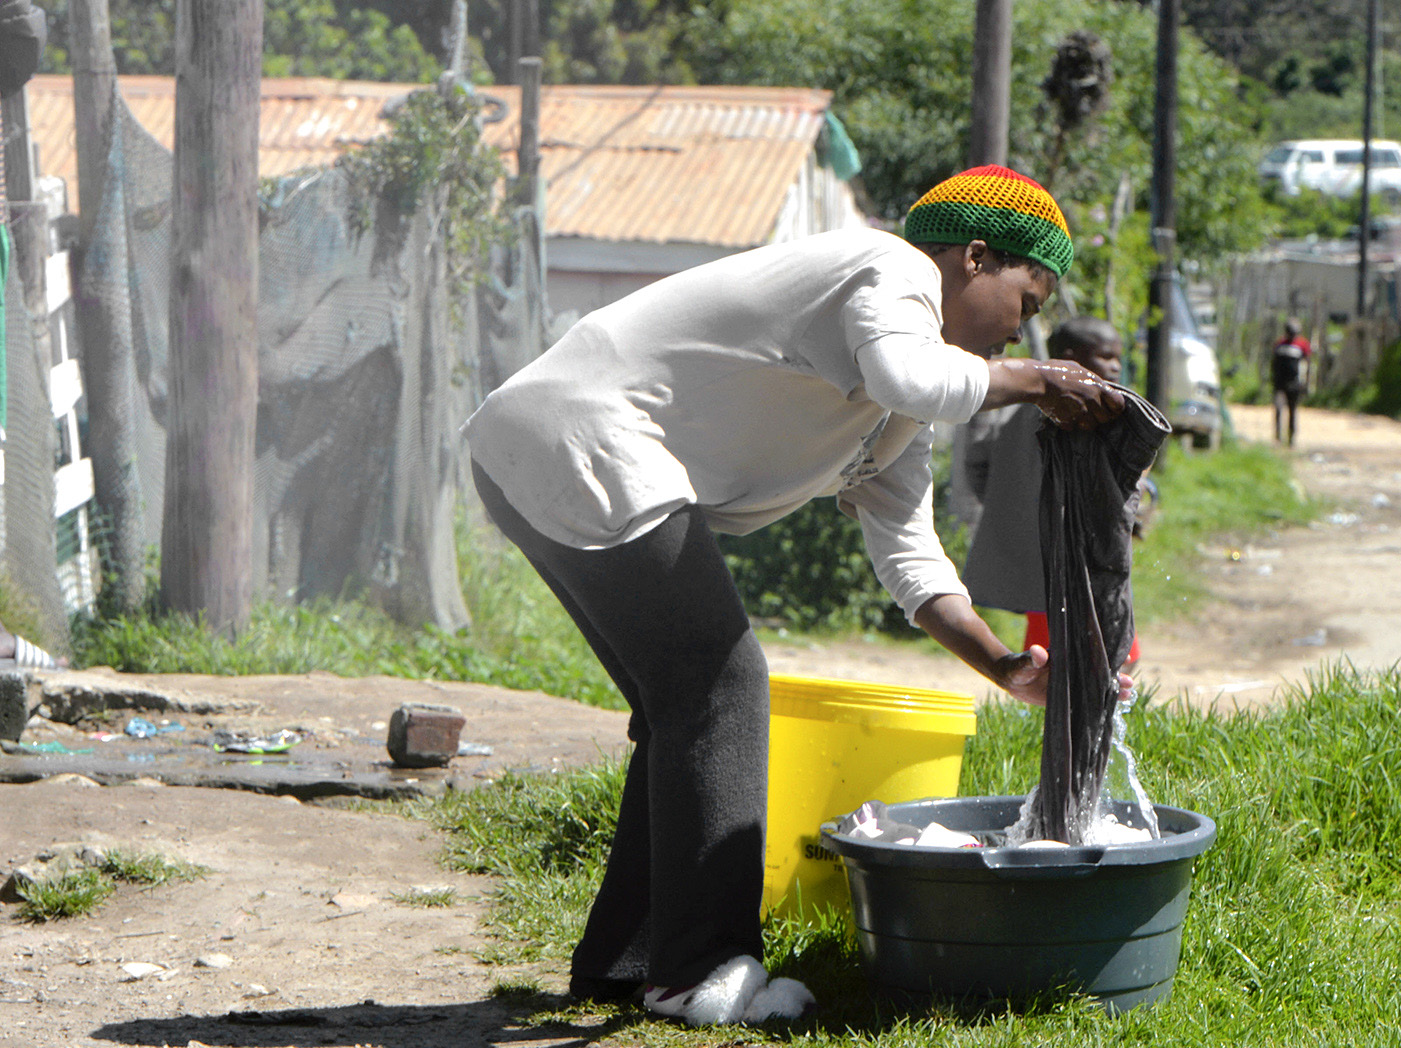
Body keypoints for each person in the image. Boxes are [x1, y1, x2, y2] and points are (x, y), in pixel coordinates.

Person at [460, 164, 1125, 1026]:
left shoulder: (904, 404)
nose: (1018, 337)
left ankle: (628, 965)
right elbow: (910, 377)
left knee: (681, 706)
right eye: (1024, 305)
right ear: (973, 257)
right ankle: (700, 968)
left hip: (542, 450)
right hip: (585, 436)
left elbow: (909, 552)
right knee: (722, 689)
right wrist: (1041, 382)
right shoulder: (888, 271)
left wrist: (1002, 664)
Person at [961, 316, 1142, 670]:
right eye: (1106, 357)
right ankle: (1071, 719)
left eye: (1118, 357)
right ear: (1071, 357)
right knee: (1086, 655)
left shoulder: (1020, 404)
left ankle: (1067, 714)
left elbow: (978, 467)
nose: (1116, 366)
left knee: (1070, 649)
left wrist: (1012, 510)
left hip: (1048, 554)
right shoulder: (1085, 411)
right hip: (1071, 557)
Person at [1270, 317, 1311, 446]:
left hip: (1294, 382)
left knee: (1292, 410)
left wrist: (1306, 382)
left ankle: (1291, 436)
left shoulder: (1302, 345)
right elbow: (1274, 362)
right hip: (1280, 382)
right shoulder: (1279, 344)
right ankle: (1277, 436)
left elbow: (1307, 364)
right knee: (1278, 407)